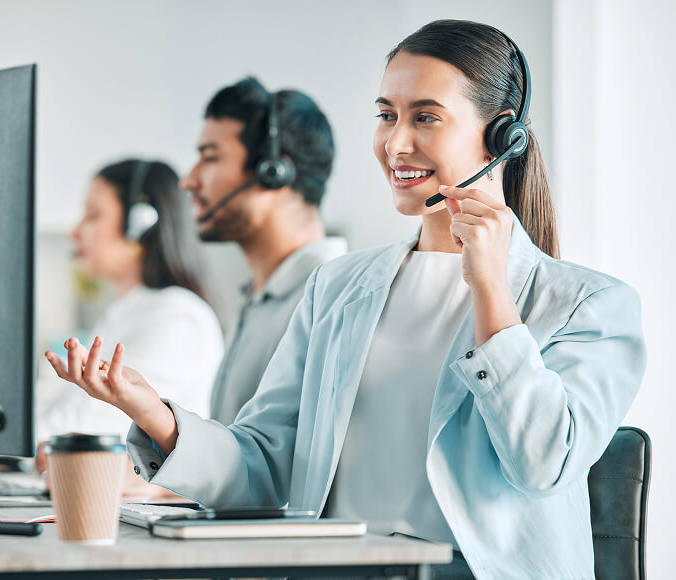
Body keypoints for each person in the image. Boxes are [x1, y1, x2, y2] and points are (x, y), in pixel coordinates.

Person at [46, 20, 645, 580]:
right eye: (387, 115)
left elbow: (544, 467)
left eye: (426, 118)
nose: (396, 143)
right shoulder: (338, 287)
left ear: (501, 133)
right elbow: (262, 470)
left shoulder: (590, 306)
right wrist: (152, 411)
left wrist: (489, 287)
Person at [35, 159, 224, 496]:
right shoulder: (123, 312)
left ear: (141, 224)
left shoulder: (176, 317)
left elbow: (79, 431)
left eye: (93, 215)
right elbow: (54, 419)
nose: (75, 231)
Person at [182, 77, 347, 425]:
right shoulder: (261, 298)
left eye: (210, 158)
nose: (189, 180)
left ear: (273, 172)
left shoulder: (328, 301)